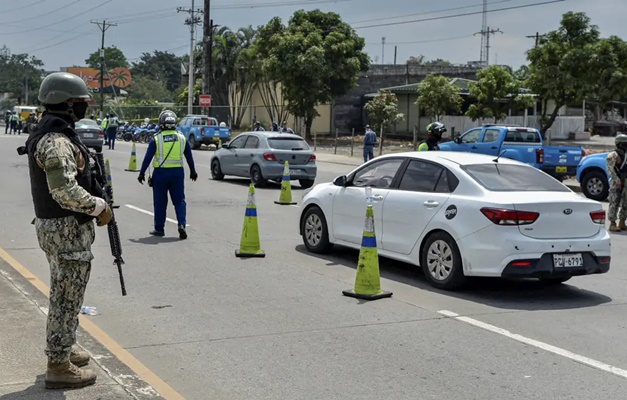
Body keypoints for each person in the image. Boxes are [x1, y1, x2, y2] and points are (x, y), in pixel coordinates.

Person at [23, 71, 112, 389]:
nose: (84, 106)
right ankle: (58, 364)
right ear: (67, 104)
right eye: (81, 102)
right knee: (66, 297)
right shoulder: (57, 142)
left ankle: (65, 345)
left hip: (57, 230)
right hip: (66, 231)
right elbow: (64, 192)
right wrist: (99, 207)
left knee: (67, 294)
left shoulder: (50, 134)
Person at [138, 110, 197, 239]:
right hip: (177, 173)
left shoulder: (156, 139)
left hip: (160, 174)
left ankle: (159, 229)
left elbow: (148, 158)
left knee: (160, 202)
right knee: (179, 201)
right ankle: (181, 225)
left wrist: (141, 173)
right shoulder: (182, 138)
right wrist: (193, 171)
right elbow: (189, 157)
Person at [607, 134, 627, 232]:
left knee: (625, 203)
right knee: (614, 202)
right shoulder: (613, 155)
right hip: (617, 181)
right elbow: (610, 169)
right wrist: (617, 180)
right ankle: (612, 223)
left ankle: (622, 222)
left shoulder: (626, 154)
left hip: (625, 181)